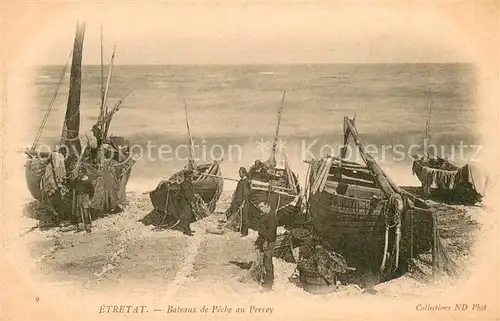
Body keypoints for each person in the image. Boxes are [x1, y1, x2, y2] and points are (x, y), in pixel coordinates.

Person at [255, 202, 278, 291]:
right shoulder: (266, 215)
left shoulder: (271, 217)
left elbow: (271, 233)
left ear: (268, 206)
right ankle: (267, 280)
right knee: (265, 261)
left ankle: (269, 285)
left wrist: (266, 242)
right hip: (264, 240)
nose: (260, 208)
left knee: (267, 261)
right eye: (259, 207)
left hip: (268, 241)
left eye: (262, 206)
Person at [68, 167, 94, 233]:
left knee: (86, 212)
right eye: (78, 172)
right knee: (78, 212)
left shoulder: (88, 180)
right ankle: (80, 227)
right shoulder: (77, 179)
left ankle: (88, 227)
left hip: (85, 197)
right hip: (78, 197)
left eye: (80, 172)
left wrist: (90, 200)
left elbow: (91, 191)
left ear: (84, 173)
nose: (79, 174)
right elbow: (72, 185)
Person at [232, 167, 251, 236]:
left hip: (244, 202)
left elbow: (246, 194)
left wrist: (243, 203)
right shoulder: (240, 181)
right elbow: (237, 191)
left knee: (245, 217)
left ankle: (244, 232)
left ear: (244, 173)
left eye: (240, 173)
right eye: (239, 173)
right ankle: (239, 229)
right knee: (239, 216)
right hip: (238, 201)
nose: (239, 174)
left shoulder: (246, 181)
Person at [179, 169, 195, 236]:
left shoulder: (188, 182)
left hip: (187, 201)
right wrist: (191, 201)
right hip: (185, 202)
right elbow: (187, 193)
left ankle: (188, 229)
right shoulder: (185, 183)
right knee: (186, 216)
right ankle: (186, 231)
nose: (192, 175)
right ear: (188, 175)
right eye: (191, 174)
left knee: (189, 216)